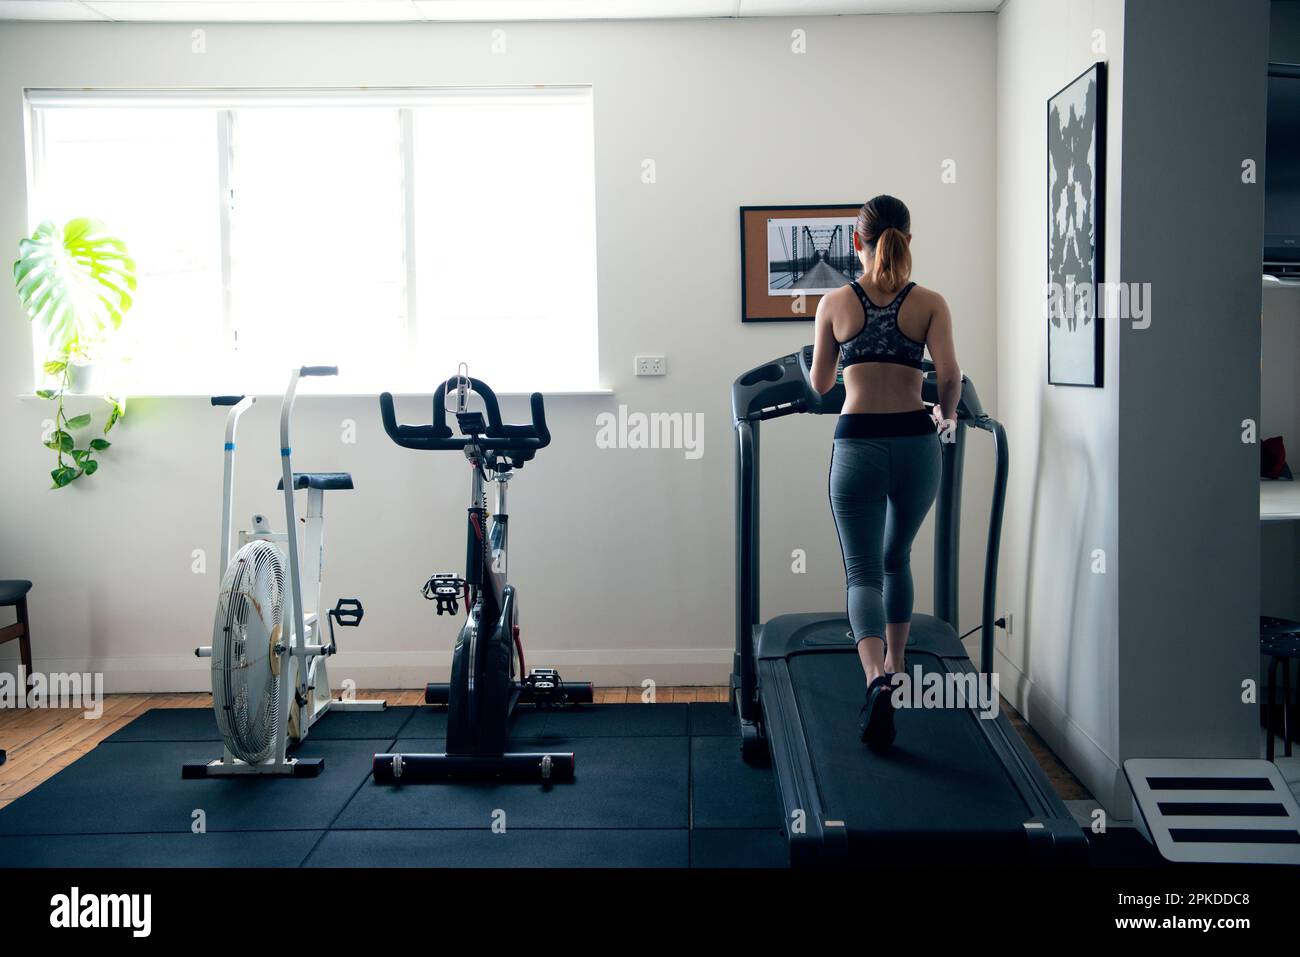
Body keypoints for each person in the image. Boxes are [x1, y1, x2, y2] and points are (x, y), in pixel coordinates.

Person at [808, 194, 961, 750]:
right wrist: (944, 416)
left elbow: (822, 385)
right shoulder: (931, 304)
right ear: (909, 239)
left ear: (858, 241)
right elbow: (949, 377)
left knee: (862, 570)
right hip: (917, 446)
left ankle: (875, 680)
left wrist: (824, 360)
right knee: (899, 558)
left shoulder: (834, 303)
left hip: (858, 446)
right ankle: (897, 666)